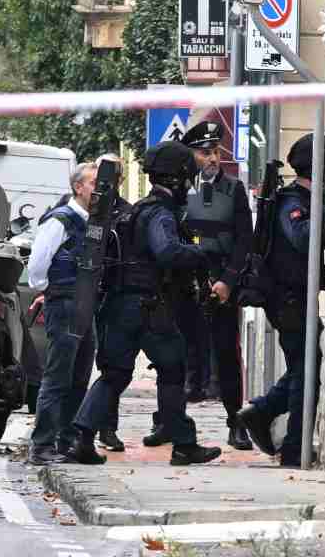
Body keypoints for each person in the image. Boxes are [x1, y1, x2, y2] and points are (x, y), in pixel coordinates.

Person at [68, 141, 224, 467]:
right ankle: (182, 445)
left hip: (120, 306)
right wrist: (203, 253)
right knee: (173, 367)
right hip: (149, 307)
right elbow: (166, 251)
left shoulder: (136, 208)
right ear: (178, 178)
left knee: (114, 374)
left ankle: (82, 437)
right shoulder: (160, 213)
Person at [237, 133, 325, 468]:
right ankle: (293, 449)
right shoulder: (293, 201)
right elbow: (303, 239)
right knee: (305, 376)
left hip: (296, 299)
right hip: (288, 301)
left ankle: (262, 412)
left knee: (304, 369)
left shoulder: (299, 198)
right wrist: (323, 211)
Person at [181, 121, 253, 451]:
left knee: (226, 354)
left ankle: (235, 422)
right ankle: (172, 423)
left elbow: (244, 241)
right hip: (186, 279)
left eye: (215, 152)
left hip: (221, 281)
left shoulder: (234, 189)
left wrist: (228, 280)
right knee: (179, 354)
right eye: (204, 153)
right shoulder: (180, 188)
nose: (211, 159)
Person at [26, 163, 100, 465]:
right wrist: (53, 290)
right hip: (66, 303)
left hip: (85, 304)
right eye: (93, 183)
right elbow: (36, 270)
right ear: (77, 187)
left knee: (80, 376)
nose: (99, 189)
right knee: (58, 376)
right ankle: (42, 444)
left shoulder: (93, 221)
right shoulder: (60, 221)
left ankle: (66, 441)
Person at [93, 153, 131, 454]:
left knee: (111, 364)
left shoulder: (126, 213)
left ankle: (107, 428)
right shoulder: (79, 206)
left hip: (110, 294)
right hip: (80, 293)